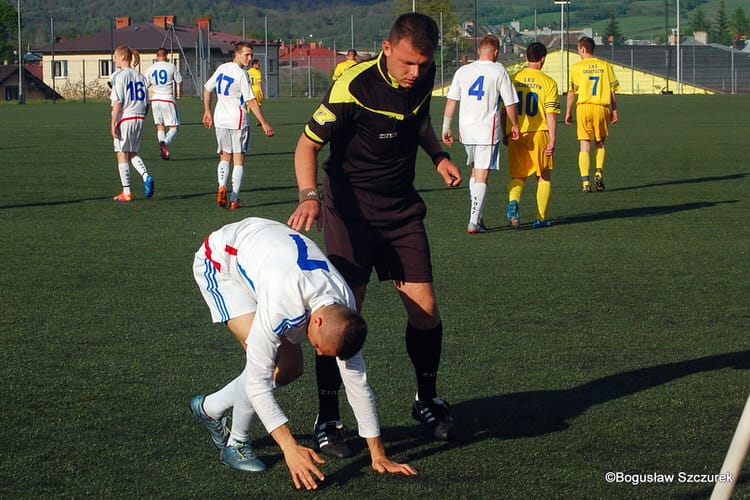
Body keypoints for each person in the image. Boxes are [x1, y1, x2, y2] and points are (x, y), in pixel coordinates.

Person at [288, 13, 462, 459]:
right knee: (341, 317)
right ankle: (328, 417)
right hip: (350, 212)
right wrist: (309, 196)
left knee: (425, 309)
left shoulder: (422, 78)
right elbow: (308, 145)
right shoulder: (353, 85)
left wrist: (438, 156)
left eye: (423, 65)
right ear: (387, 48)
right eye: (407, 63)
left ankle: (427, 398)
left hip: (401, 208)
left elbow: (418, 122)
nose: (415, 73)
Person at [190, 217, 416, 490]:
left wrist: (378, 455)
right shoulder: (283, 304)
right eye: (322, 347)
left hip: (265, 254)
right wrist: (290, 447)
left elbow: (358, 383)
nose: (319, 352)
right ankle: (236, 443)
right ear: (318, 321)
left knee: (291, 368)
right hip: (221, 262)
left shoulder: (343, 307)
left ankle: (209, 408)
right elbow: (258, 382)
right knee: (265, 362)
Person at [441, 34, 520, 234]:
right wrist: (515, 125)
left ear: (478, 51)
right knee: (482, 174)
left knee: (476, 171)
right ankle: (473, 221)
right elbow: (510, 102)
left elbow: (451, 101)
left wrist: (445, 127)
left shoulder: (463, 70)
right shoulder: (499, 70)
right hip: (487, 129)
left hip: (466, 130)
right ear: (496, 52)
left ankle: (479, 217)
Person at [203, 42, 274, 210]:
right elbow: (250, 100)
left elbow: (207, 88)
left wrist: (207, 111)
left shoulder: (222, 68)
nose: (250, 58)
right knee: (239, 159)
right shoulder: (242, 74)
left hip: (220, 119)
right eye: (246, 55)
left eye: (251, 55)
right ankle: (234, 198)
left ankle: (221, 185)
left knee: (224, 156)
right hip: (238, 119)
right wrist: (264, 122)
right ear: (237, 54)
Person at [502, 42, 559, 229]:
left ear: (526, 57)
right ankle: (540, 218)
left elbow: (504, 110)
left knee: (518, 176)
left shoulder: (513, 78)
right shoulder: (549, 82)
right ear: (543, 59)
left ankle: (513, 204)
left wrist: (504, 131)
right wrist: (552, 139)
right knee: (543, 175)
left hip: (516, 133)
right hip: (539, 133)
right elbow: (550, 114)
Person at [564, 36, 620, 193]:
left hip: (583, 107)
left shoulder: (576, 67)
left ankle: (585, 183)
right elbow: (611, 91)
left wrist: (568, 111)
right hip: (601, 107)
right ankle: (598, 172)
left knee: (584, 144)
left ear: (582, 49)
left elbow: (571, 92)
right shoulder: (605, 66)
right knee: (600, 143)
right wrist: (614, 110)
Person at [110, 45, 154, 202]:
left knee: (121, 153)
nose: (114, 58)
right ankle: (146, 175)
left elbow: (117, 103)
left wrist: (113, 123)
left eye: (115, 56)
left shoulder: (120, 76)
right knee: (132, 152)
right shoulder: (141, 76)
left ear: (123, 57)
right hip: (140, 117)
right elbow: (147, 103)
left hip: (126, 117)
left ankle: (126, 192)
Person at [146, 47, 182, 160]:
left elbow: (145, 84)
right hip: (167, 98)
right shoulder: (171, 66)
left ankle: (164, 151)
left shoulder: (151, 68)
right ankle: (165, 142)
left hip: (155, 99)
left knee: (160, 126)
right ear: (166, 56)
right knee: (174, 127)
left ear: (157, 57)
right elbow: (179, 82)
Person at [247, 58, 264, 125]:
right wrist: (261, 92)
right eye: (258, 64)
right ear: (254, 64)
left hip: (250, 90)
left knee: (249, 106)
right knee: (258, 106)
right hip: (256, 91)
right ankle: (260, 121)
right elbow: (258, 83)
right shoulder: (258, 72)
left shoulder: (248, 72)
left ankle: (246, 120)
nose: (259, 65)